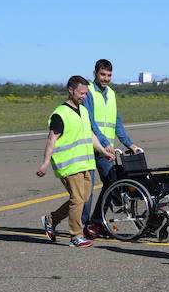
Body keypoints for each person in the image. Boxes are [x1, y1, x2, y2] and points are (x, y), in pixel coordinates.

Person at [37, 75, 115, 247]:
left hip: (85, 163)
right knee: (78, 199)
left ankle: (51, 219)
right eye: (81, 93)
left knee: (82, 199)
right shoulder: (60, 114)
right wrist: (45, 163)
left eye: (86, 93)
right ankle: (76, 236)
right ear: (71, 90)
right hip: (69, 165)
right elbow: (51, 140)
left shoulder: (83, 111)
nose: (84, 97)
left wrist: (103, 152)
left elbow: (90, 135)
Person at [81, 58, 142, 237]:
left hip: (105, 150)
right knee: (87, 191)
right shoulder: (88, 92)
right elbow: (90, 121)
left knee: (113, 183)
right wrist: (104, 142)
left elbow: (117, 122)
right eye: (103, 74)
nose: (106, 78)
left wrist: (128, 143)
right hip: (90, 147)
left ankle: (97, 221)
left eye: (109, 75)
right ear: (95, 74)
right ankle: (83, 226)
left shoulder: (111, 93)